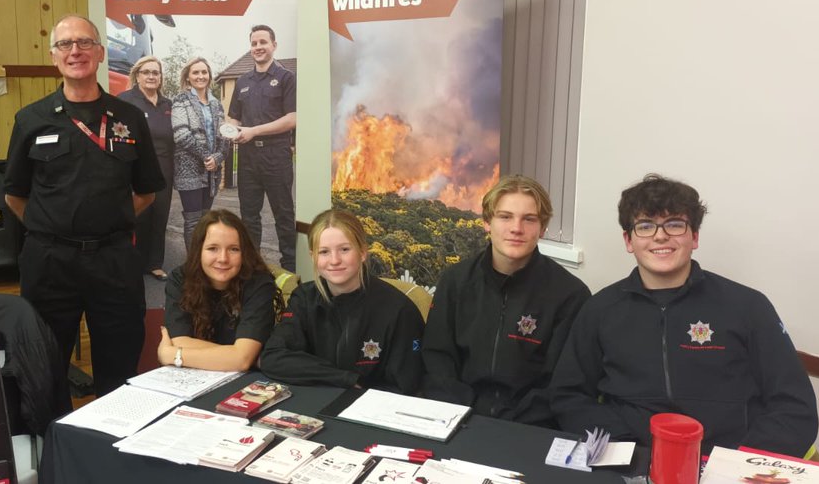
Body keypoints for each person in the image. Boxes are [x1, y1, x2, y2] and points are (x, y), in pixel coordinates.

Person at [550, 174, 818, 456]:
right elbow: (570, 396)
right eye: (645, 226)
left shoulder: (748, 306)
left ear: (695, 237)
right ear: (629, 241)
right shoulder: (600, 310)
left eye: (675, 224)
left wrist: (738, 461)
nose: (660, 235)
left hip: (727, 467)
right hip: (632, 461)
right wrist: (624, 448)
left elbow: (794, 407)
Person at [3, 14, 165, 396]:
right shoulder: (31, 120)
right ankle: (53, 443)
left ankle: (108, 448)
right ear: (54, 57)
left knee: (120, 362)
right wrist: (54, 227)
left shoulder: (129, 118)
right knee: (44, 363)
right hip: (50, 263)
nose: (75, 51)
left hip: (113, 260)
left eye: (84, 42)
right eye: (65, 44)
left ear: (100, 52)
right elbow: (15, 195)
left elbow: (146, 191)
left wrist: (109, 221)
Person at [421, 175, 590, 427]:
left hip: (530, 427)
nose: (516, 228)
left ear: (542, 228)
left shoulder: (570, 295)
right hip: (456, 419)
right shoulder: (455, 281)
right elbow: (437, 358)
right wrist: (463, 413)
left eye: (529, 219)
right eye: (505, 216)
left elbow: (561, 383)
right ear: (487, 222)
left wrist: (510, 424)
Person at [260, 209, 424, 394]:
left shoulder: (399, 309)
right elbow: (273, 357)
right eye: (324, 252)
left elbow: (407, 385)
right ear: (313, 256)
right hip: (316, 400)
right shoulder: (304, 298)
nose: (334, 260)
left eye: (344, 249)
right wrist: (346, 379)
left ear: (362, 252)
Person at [156, 209, 277, 371]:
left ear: (244, 253)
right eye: (213, 248)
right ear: (199, 251)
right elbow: (179, 340)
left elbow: (242, 361)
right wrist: (233, 355)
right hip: (192, 376)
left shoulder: (259, 283)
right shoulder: (180, 278)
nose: (223, 259)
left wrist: (172, 355)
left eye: (234, 249)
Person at [226, 25, 297, 271]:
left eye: (263, 42)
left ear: (274, 45)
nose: (258, 47)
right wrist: (232, 130)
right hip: (248, 157)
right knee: (249, 217)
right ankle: (252, 268)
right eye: (254, 43)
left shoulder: (287, 78)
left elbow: (292, 119)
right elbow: (234, 117)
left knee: (284, 215)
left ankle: (290, 267)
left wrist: (253, 131)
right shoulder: (243, 81)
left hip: (276, 155)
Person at [117, 56, 175, 281]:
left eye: (156, 72)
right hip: (135, 166)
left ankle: (154, 263)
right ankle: (132, 262)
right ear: (137, 75)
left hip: (163, 167)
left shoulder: (168, 105)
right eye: (146, 72)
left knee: (160, 216)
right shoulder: (125, 100)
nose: (152, 76)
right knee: (137, 215)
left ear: (161, 77)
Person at [170, 57, 230, 249]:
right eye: (195, 72)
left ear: (209, 76)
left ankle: (205, 264)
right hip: (189, 170)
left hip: (212, 171)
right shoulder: (180, 100)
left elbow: (224, 136)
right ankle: (193, 267)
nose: (200, 76)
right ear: (188, 77)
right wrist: (207, 157)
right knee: (193, 221)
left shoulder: (216, 104)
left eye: (204, 72)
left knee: (206, 221)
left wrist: (218, 157)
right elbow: (181, 135)